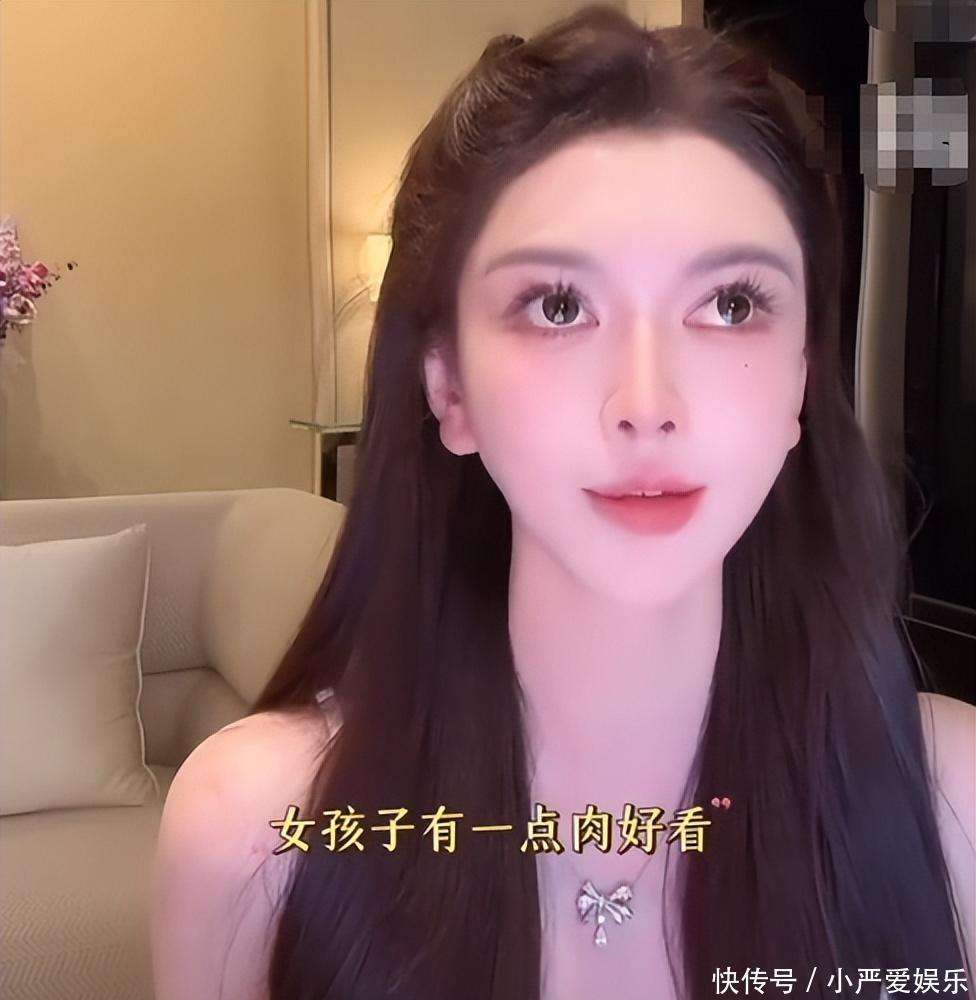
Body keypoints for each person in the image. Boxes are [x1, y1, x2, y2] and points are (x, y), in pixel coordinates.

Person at [149, 5, 975, 999]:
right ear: (448, 386)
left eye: (731, 304)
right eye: (558, 306)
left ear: (802, 374)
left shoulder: (954, 802)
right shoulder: (256, 829)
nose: (647, 403)